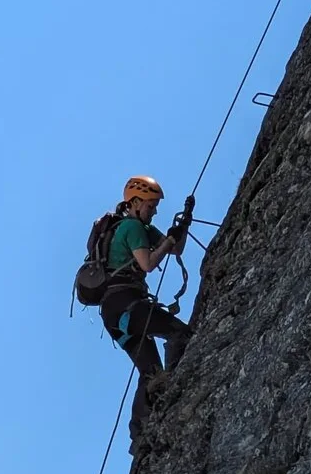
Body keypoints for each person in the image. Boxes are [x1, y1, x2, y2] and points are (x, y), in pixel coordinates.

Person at [99, 175, 194, 459]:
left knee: (151, 372)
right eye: (151, 205)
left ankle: (138, 434)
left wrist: (184, 224)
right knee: (180, 334)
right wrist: (169, 241)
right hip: (127, 303)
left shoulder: (143, 227)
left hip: (116, 313)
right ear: (136, 203)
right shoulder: (131, 227)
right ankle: (181, 381)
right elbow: (148, 263)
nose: (154, 211)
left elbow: (174, 248)